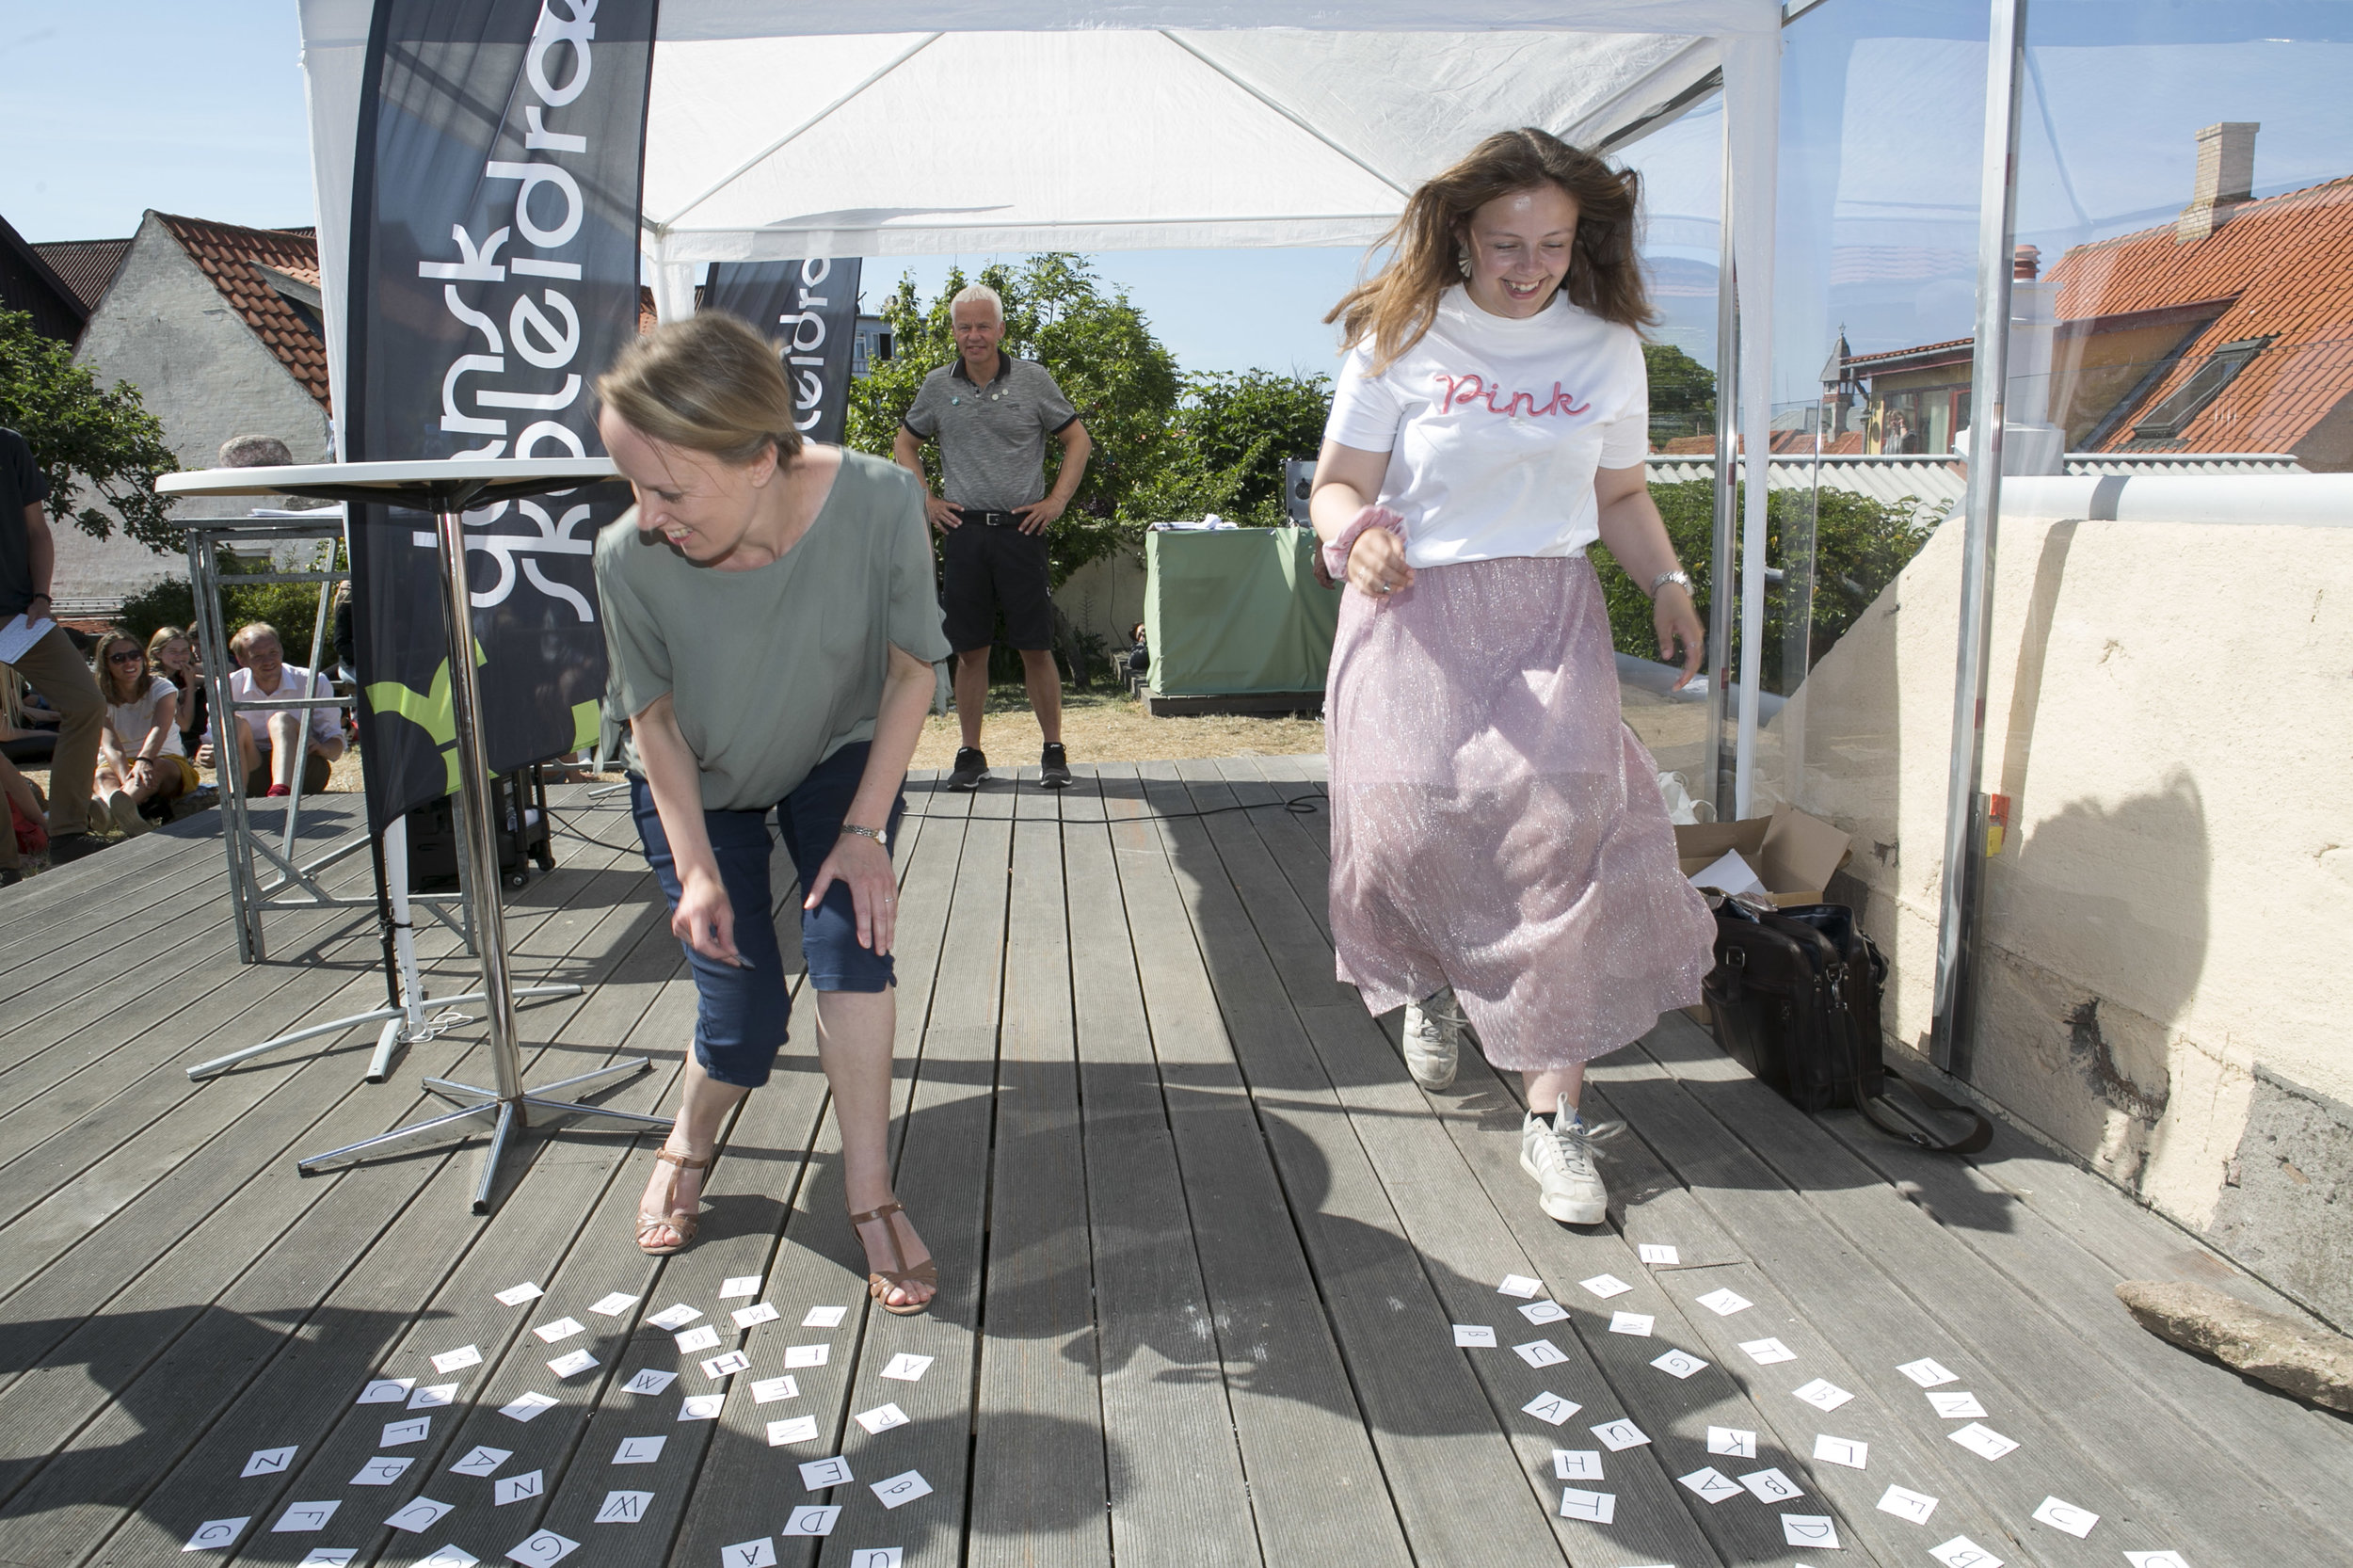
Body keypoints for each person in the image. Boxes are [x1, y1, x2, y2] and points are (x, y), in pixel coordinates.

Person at [1308, 127, 1717, 1227]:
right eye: (1504, 241)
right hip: (1409, 610)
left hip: (1547, 611)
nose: (1527, 262)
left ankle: (1553, 1116)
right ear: (1462, 236)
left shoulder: (1604, 349)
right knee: (1401, 823)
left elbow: (1621, 495)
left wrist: (1667, 583)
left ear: (1581, 239)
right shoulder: (1403, 335)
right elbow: (1336, 485)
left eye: (1550, 240)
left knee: (1559, 845)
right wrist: (1358, 540)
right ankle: (1432, 977)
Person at [594, 312, 951, 1313]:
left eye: (666, 487)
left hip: (834, 758)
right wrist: (698, 866)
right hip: (699, 787)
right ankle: (691, 1137)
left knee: (852, 943)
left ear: (758, 458)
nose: (647, 513)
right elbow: (652, 720)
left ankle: (871, 1192)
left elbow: (913, 669)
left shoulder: (879, 500)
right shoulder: (626, 557)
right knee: (745, 1023)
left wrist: (865, 832)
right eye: (629, 484)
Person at [892, 283, 1092, 792]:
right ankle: (970, 753)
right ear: (954, 331)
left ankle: (1053, 751)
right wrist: (926, 499)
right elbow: (905, 443)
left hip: (1022, 531)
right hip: (964, 535)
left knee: (1035, 647)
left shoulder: (1033, 380)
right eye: (965, 326)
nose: (974, 336)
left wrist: (1056, 501)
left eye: (984, 326)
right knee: (970, 651)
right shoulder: (938, 386)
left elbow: (1077, 439)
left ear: (1001, 329)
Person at [0, 425, 107, 863]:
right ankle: (5, 864)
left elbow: (36, 530)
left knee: (86, 705)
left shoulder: (9, 445)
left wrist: (42, 598)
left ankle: (66, 833)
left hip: (20, 613)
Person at [195, 622, 343, 796]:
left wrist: (321, 748)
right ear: (241, 660)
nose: (268, 661)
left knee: (281, 720)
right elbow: (211, 744)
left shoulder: (314, 681)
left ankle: (280, 792)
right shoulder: (225, 688)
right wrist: (204, 755)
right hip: (251, 772)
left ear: (281, 649)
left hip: (303, 772)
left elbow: (336, 744)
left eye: (273, 653)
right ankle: (235, 798)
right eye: (257, 656)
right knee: (233, 723)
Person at [89, 630, 194, 834]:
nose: (129, 663)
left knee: (157, 767)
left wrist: (144, 760)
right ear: (106, 664)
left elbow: (160, 727)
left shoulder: (161, 687)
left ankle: (110, 813)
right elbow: (110, 744)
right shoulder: (98, 696)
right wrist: (127, 776)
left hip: (162, 758)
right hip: (121, 763)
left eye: (134, 655)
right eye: (118, 658)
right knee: (101, 775)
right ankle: (121, 809)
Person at [146, 626, 208, 760]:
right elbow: (184, 724)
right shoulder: (158, 681)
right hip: (163, 742)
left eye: (184, 651)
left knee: (211, 688)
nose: (180, 656)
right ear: (158, 653)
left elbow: (214, 683)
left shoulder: (175, 673)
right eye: (173, 651)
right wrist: (190, 686)